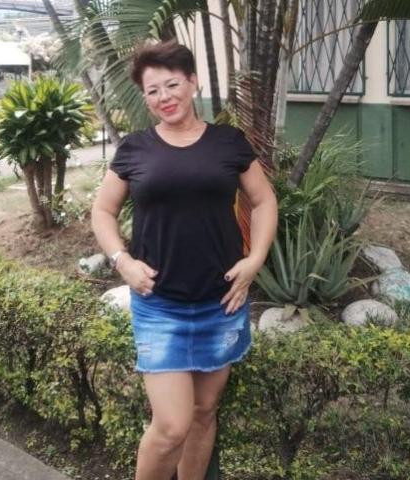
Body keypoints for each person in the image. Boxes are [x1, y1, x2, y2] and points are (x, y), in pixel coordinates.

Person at [91, 40, 278, 480]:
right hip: (160, 304)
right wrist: (122, 261)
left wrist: (255, 260)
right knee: (171, 427)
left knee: (203, 412)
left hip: (222, 301)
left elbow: (264, 200)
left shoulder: (228, 143)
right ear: (145, 98)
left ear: (193, 82)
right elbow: (102, 210)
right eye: (153, 91)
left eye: (172, 84)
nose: (164, 97)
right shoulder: (135, 148)